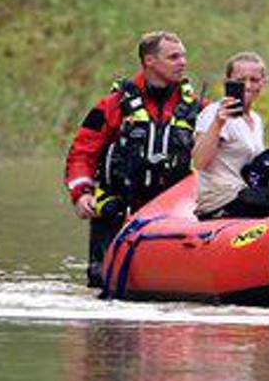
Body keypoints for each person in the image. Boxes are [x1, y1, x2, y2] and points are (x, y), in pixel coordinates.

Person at [64, 30, 203, 287]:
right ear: (149, 61)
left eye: (183, 56)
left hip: (173, 212)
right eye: (173, 57)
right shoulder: (113, 105)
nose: (182, 62)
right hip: (119, 207)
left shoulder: (197, 107)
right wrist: (82, 194)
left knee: (170, 283)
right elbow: (82, 152)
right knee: (102, 280)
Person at [192, 51, 269, 220]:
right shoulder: (213, 113)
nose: (248, 86)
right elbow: (199, 162)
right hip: (220, 201)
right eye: (241, 81)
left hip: (246, 194)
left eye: (254, 80)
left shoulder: (255, 119)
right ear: (228, 82)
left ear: (263, 83)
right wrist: (218, 123)